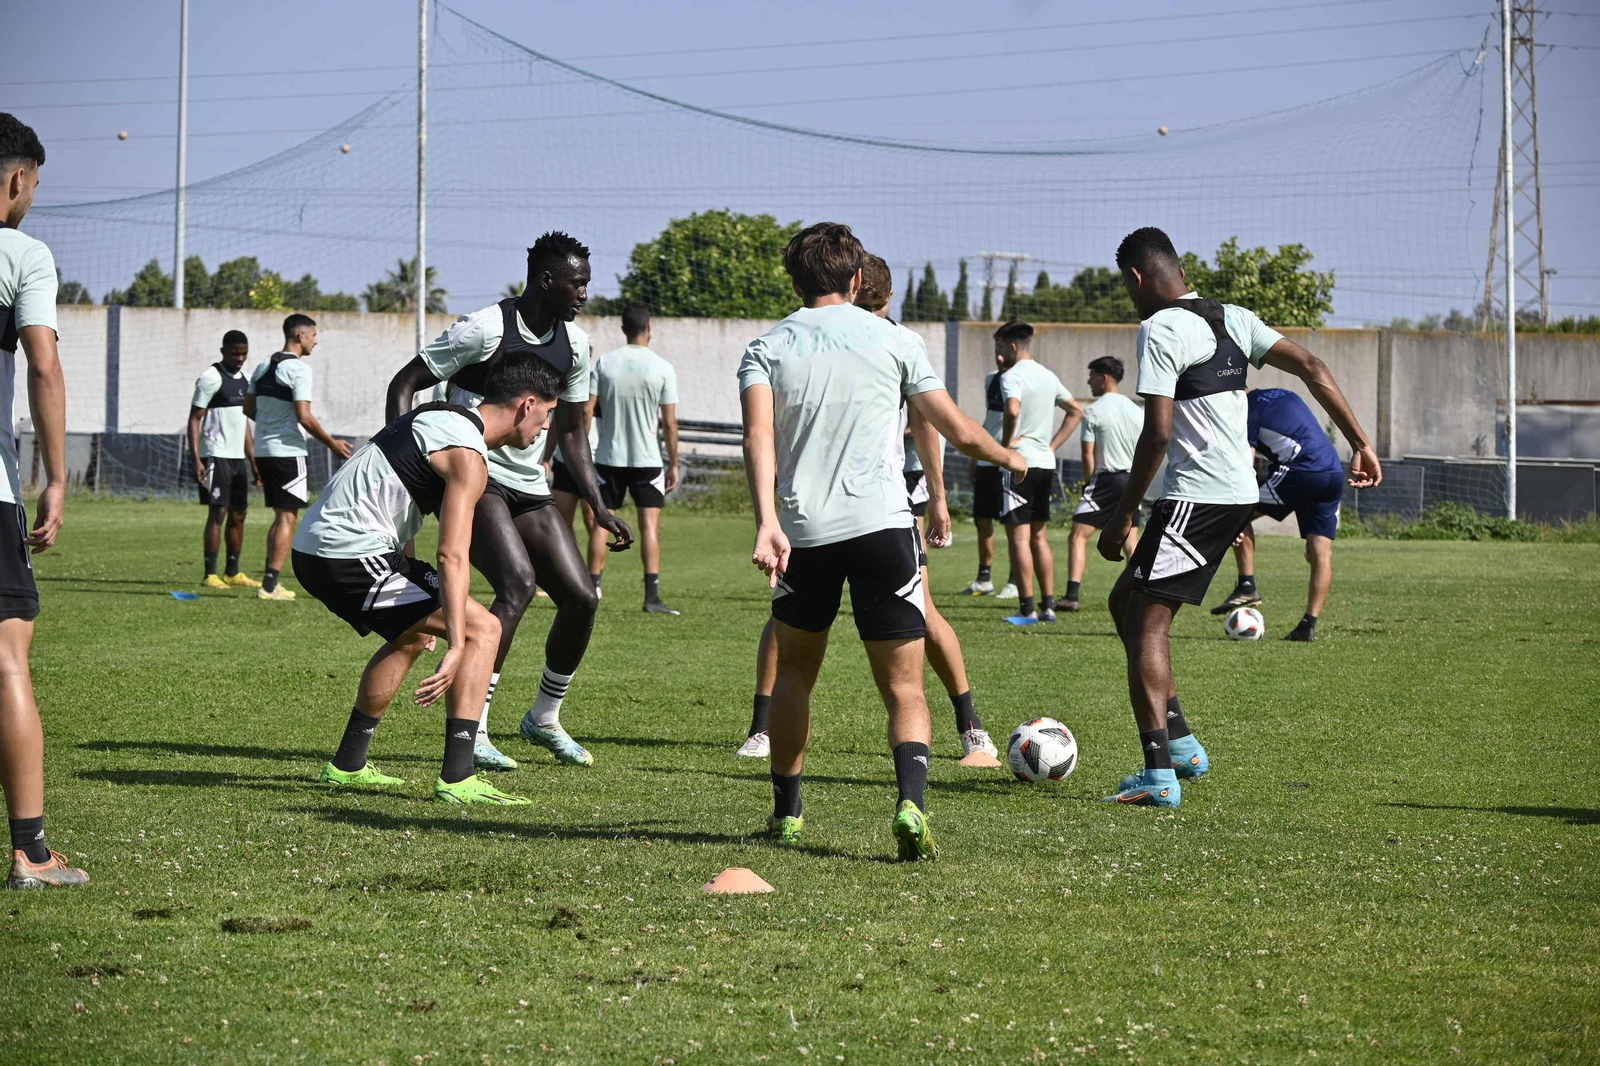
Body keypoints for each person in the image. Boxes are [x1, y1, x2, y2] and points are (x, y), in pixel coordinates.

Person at [741, 222, 1026, 861]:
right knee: (903, 687)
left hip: (804, 533)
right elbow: (953, 427)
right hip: (884, 528)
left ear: (794, 281)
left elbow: (758, 439)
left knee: (795, 678)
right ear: (856, 280)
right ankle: (910, 804)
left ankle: (787, 814)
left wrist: (768, 520)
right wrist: (1010, 457)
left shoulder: (766, 347)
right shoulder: (896, 340)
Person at [1097, 227, 1380, 807]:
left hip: (1196, 498)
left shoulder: (1160, 328)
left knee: (1149, 624)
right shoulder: (1232, 317)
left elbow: (1158, 433)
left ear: (1136, 279)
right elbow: (1312, 364)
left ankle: (1158, 776)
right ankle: (1181, 745)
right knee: (1125, 601)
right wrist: (1360, 440)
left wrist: (1123, 515)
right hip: (1234, 497)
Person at [386, 232, 634, 774]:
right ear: (548, 280)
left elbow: (571, 434)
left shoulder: (575, 345)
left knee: (582, 596)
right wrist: (402, 465)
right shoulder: (485, 329)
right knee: (517, 585)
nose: (585, 293)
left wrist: (597, 504)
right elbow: (404, 383)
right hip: (475, 476)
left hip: (530, 485)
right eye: (578, 283)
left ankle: (543, 717)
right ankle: (472, 729)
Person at [293, 355, 563, 805]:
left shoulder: (440, 416)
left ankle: (347, 766)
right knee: (484, 630)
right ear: (526, 404)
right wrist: (459, 642)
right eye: (547, 415)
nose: (544, 429)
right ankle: (459, 776)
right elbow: (452, 554)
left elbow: (399, 498)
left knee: (413, 638)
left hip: (328, 548)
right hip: (347, 553)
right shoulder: (470, 457)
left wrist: (418, 589)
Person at [0, 113, 84, 888]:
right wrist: (56, 477)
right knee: (6, 658)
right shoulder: (21, 252)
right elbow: (44, 367)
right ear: (18, 179)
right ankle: (30, 852)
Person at [1209, 386, 1348, 642]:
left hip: (1302, 470)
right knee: (1320, 552)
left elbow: (1245, 463)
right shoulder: (1285, 393)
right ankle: (1308, 625)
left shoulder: (1245, 409)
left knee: (1238, 507)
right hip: (1333, 471)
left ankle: (1247, 585)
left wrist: (1232, 518)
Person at [244, 313, 353, 601]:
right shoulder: (299, 370)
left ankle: (270, 581)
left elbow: (248, 409)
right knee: (287, 517)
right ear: (300, 336)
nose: (316, 341)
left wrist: (270, 423)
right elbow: (304, 417)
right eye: (314, 335)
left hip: (264, 449)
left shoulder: (261, 366)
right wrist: (331, 443)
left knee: (282, 515)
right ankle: (269, 587)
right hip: (288, 452)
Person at [588, 304, 682, 614]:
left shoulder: (605, 363)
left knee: (602, 523)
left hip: (608, 457)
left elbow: (588, 410)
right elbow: (669, 422)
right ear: (649, 327)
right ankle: (651, 597)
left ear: (623, 329)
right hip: (647, 459)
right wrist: (674, 463)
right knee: (649, 529)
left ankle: (592, 588)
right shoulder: (663, 367)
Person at [994, 321, 1083, 623]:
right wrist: (1051, 446)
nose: (1000, 354)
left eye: (1001, 347)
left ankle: (1026, 608)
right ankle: (1048, 606)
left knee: (1018, 539)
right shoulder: (1047, 375)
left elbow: (1013, 410)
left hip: (1020, 464)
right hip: (1045, 463)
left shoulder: (1011, 376)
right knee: (1039, 537)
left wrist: (1005, 449)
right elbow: (1076, 411)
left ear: (1013, 346)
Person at [1062, 356, 1143, 612]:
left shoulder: (1094, 411)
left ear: (1104, 378)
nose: (1088, 381)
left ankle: (1072, 595)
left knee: (1077, 535)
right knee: (1131, 543)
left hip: (1106, 479)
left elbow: (1088, 455)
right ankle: (1142, 595)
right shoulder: (1136, 411)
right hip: (1133, 480)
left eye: (1092, 376)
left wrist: (1089, 483)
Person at [188, 330, 261, 590]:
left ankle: (233, 572)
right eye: (234, 353)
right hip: (215, 456)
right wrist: (196, 458)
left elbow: (245, 426)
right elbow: (194, 418)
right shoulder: (210, 378)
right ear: (223, 352)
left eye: (244, 354)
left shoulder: (247, 380)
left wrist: (253, 461)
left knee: (239, 514)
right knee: (217, 513)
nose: (240, 358)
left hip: (238, 458)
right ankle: (210, 574)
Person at [957, 351, 1015, 599]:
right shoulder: (991, 379)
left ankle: (1015, 581)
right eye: (996, 352)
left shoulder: (1023, 379)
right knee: (983, 519)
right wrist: (976, 456)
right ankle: (984, 579)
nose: (999, 358)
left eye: (1004, 352)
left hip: (1011, 460)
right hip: (986, 461)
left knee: (1015, 526)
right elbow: (990, 418)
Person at [549, 362, 605, 597]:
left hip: (592, 457)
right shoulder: (563, 382)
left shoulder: (595, 379)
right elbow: (556, 422)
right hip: (564, 460)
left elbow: (587, 411)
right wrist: (547, 456)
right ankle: (571, 574)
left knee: (593, 519)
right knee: (562, 521)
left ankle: (594, 580)